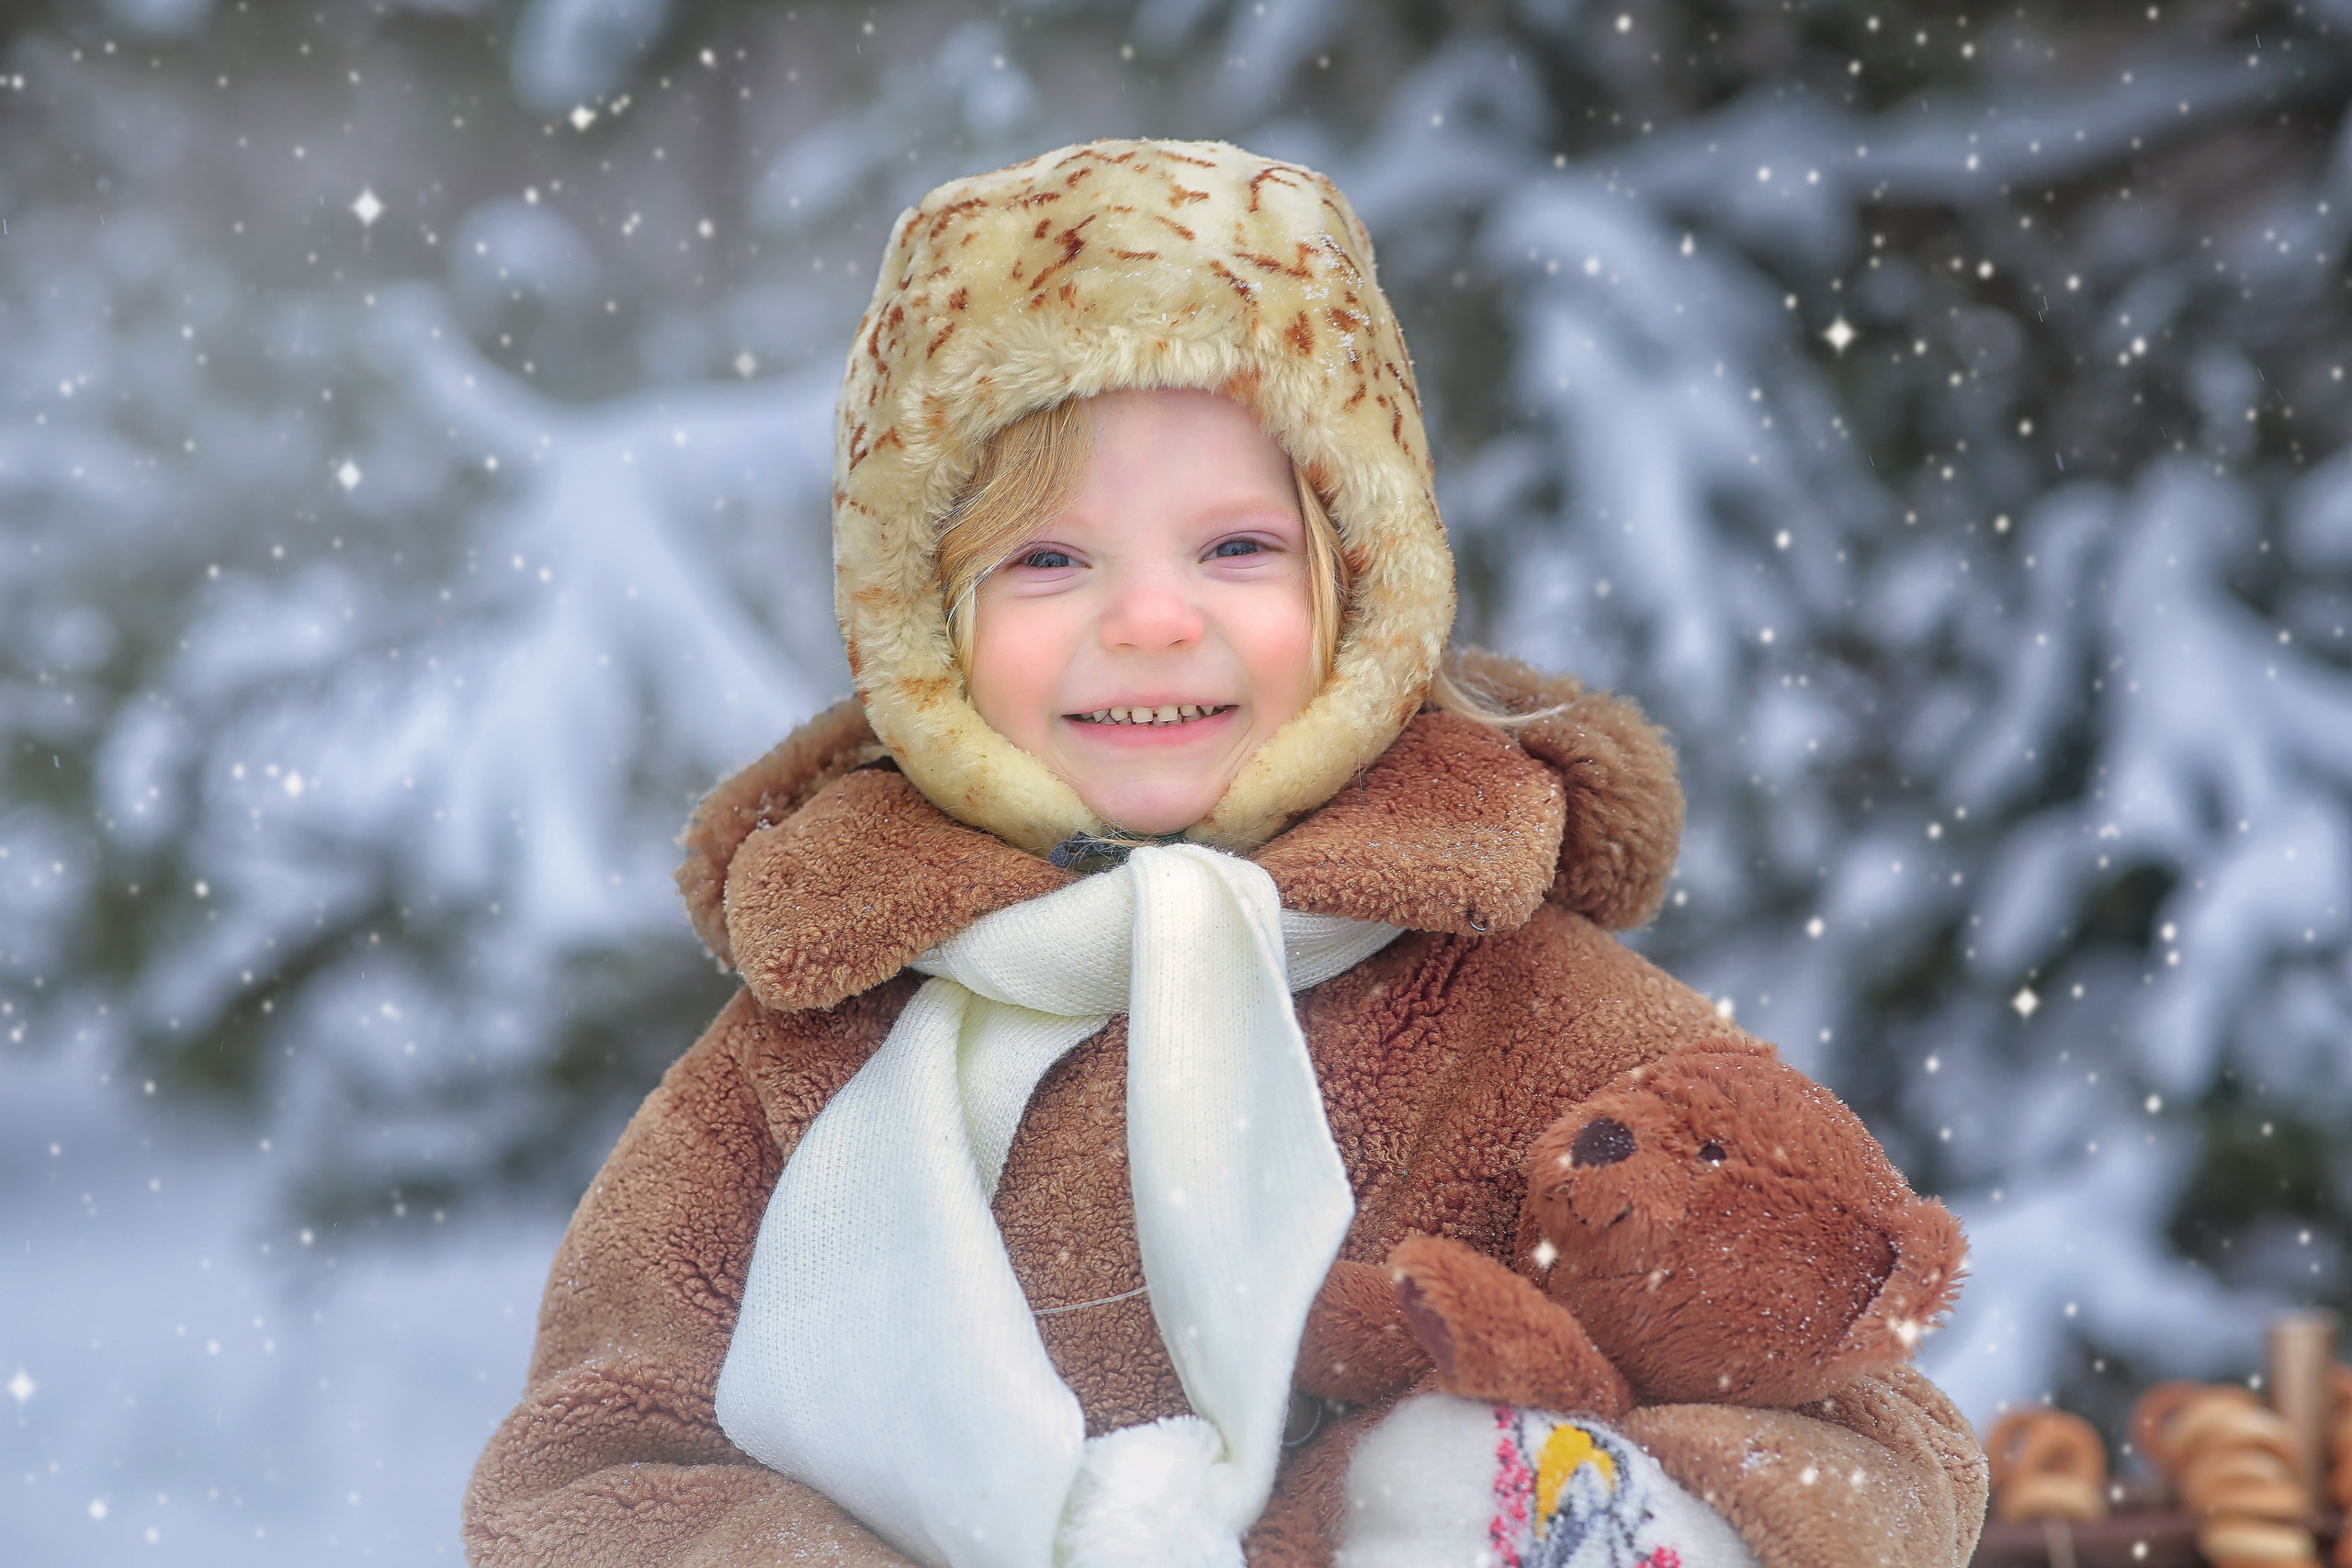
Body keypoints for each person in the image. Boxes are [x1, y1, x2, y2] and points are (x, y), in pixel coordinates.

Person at [462, 138, 1987, 1568]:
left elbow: (1865, 1418)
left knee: (1459, 1469)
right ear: (922, 628)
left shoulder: (1517, 1001)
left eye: (1237, 548)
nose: (1149, 619)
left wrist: (1527, 1505)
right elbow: (591, 1466)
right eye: (1048, 559)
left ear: (1364, 587)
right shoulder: (818, 1036)